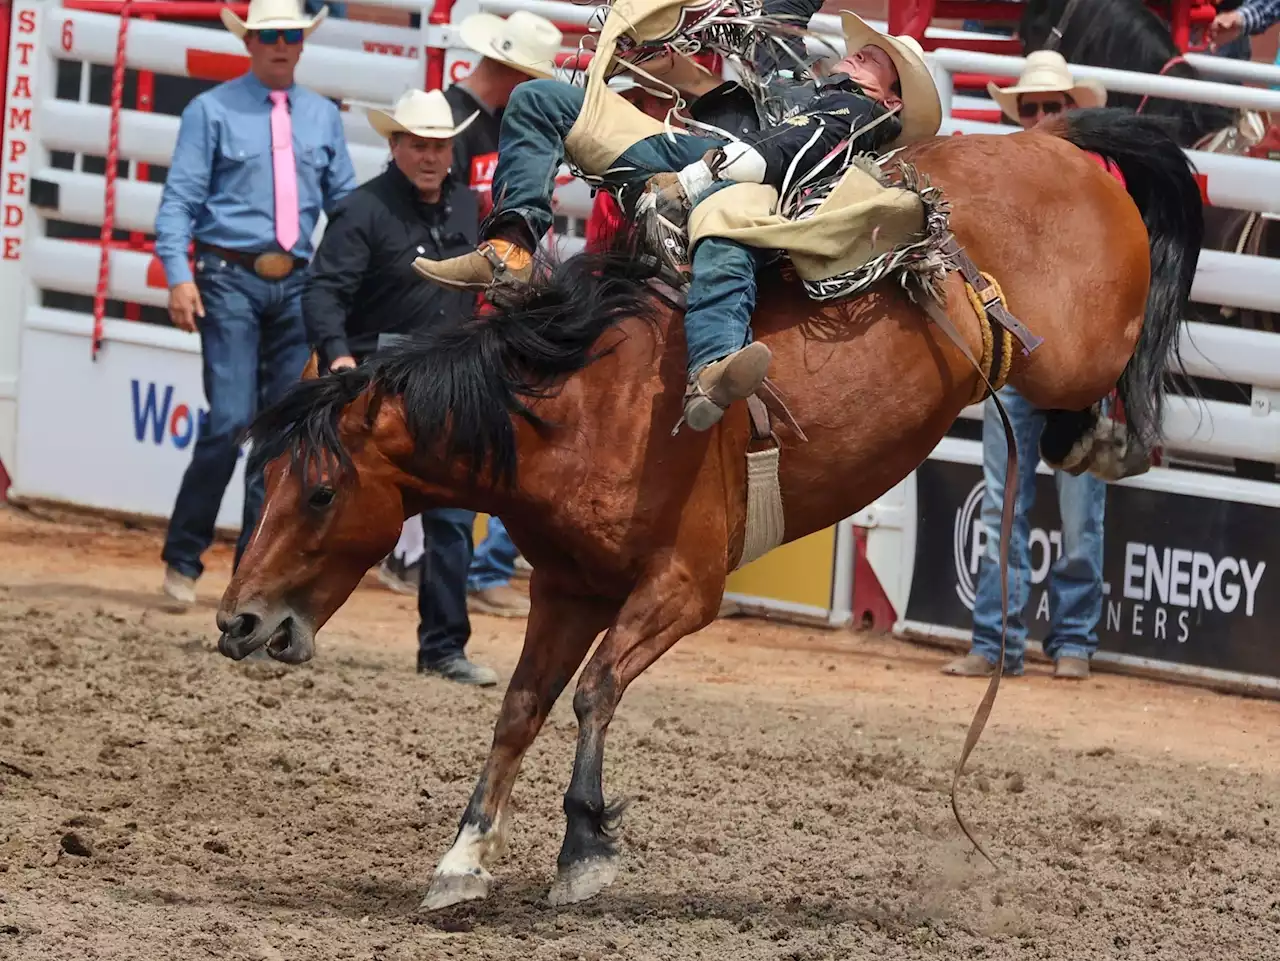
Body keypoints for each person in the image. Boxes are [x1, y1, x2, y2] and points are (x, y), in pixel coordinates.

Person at [412, 11, 941, 432]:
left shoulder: (860, 116)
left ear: (891, 98)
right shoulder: (798, 82)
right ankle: (512, 250)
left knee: (725, 221)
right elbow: (782, 12)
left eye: (881, 59)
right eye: (869, 46)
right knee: (538, 99)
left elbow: (791, 150)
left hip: (759, 190)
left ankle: (712, 365)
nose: (867, 50)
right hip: (695, 153)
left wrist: (694, 180)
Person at [155, 0, 356, 606]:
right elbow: (179, 200)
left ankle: (247, 571)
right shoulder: (209, 111)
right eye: (269, 35)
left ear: (301, 43)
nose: (280, 44)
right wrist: (176, 274)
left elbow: (345, 206)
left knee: (278, 434)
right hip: (228, 276)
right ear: (250, 42)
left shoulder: (321, 116)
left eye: (290, 35)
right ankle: (184, 555)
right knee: (228, 421)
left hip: (296, 280)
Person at [302, 88, 499, 687]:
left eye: (440, 145)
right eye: (418, 144)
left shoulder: (469, 208)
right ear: (395, 146)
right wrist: (338, 357)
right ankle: (280, 618)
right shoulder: (362, 210)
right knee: (321, 506)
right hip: (376, 386)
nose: (431, 156)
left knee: (454, 522)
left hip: (447, 387)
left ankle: (443, 647)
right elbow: (323, 291)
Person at [942, 52, 1109, 681]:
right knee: (1012, 508)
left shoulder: (1096, 181)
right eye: (1032, 107)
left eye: (1049, 107)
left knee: (1074, 513)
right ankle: (1008, 644)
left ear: (1069, 110)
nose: (1040, 117)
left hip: (1066, 368)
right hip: (1018, 362)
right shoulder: (1022, 183)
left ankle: (1054, 643)